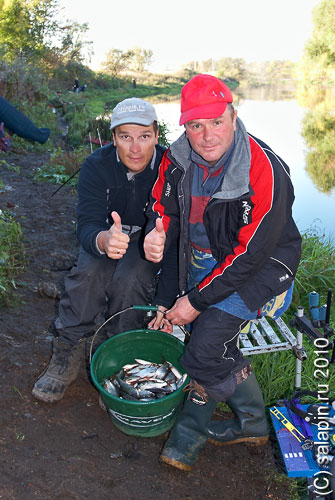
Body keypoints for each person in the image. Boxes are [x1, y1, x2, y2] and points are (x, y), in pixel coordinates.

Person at [144, 74, 302, 471]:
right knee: (211, 341)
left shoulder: (264, 169)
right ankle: (253, 423)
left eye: (217, 121)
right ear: (184, 127)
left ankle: (195, 425)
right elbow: (164, 212)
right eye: (196, 125)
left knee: (204, 347)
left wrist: (194, 302)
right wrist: (155, 232)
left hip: (261, 268)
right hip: (205, 259)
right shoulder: (176, 159)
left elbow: (249, 255)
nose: (207, 135)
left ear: (234, 115)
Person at [32, 97, 177, 403]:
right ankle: (67, 351)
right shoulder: (96, 165)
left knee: (131, 279)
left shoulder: (171, 167)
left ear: (156, 136)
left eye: (144, 137)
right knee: (89, 273)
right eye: (125, 137)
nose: (135, 148)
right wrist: (101, 240)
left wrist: (158, 239)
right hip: (104, 235)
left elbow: (174, 222)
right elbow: (85, 225)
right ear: (113, 138)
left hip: (148, 241)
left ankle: (119, 361)